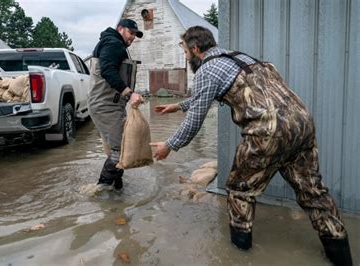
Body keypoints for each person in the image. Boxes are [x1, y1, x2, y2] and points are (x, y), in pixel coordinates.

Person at [150, 26, 352, 266]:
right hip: (302, 125)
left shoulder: (206, 69)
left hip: (267, 131)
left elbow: (195, 122)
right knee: (313, 192)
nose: (185, 56)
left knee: (239, 190)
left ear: (195, 49)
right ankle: (342, 257)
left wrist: (169, 145)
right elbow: (208, 94)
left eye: (185, 51)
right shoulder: (241, 58)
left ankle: (239, 254)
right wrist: (178, 106)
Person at [88, 19, 144, 191]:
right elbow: (107, 70)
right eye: (130, 32)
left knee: (116, 148)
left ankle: (117, 187)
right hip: (106, 105)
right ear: (120, 29)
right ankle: (101, 189)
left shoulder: (113, 43)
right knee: (120, 150)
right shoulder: (113, 44)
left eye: (135, 34)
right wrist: (129, 92)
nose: (133, 37)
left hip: (109, 105)